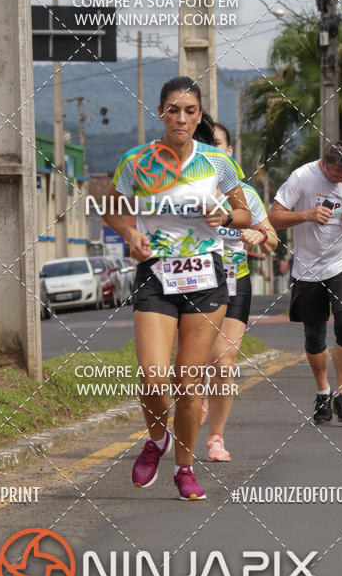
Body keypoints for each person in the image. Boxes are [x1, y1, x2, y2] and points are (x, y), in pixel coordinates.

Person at [104, 77, 251, 500]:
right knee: (152, 379)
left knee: (188, 385)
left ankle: (184, 468)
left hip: (206, 278)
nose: (181, 118)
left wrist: (224, 217)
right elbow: (112, 211)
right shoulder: (137, 161)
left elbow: (245, 215)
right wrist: (130, 235)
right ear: (161, 113)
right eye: (173, 109)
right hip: (156, 275)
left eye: (190, 111)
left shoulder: (217, 164)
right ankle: (156, 439)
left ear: (199, 116)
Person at [269, 141, 342, 424]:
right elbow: (275, 216)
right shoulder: (302, 177)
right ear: (324, 164)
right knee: (314, 335)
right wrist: (306, 214)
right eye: (336, 175)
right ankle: (322, 393)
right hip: (309, 267)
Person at [202, 122, 278, 461]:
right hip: (195, 282)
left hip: (236, 282)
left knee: (225, 359)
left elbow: (273, 239)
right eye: (206, 145)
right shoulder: (189, 191)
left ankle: (216, 438)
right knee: (193, 361)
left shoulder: (246, 196)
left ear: (229, 153)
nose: (213, 151)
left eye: (218, 145)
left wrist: (258, 236)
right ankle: (194, 399)